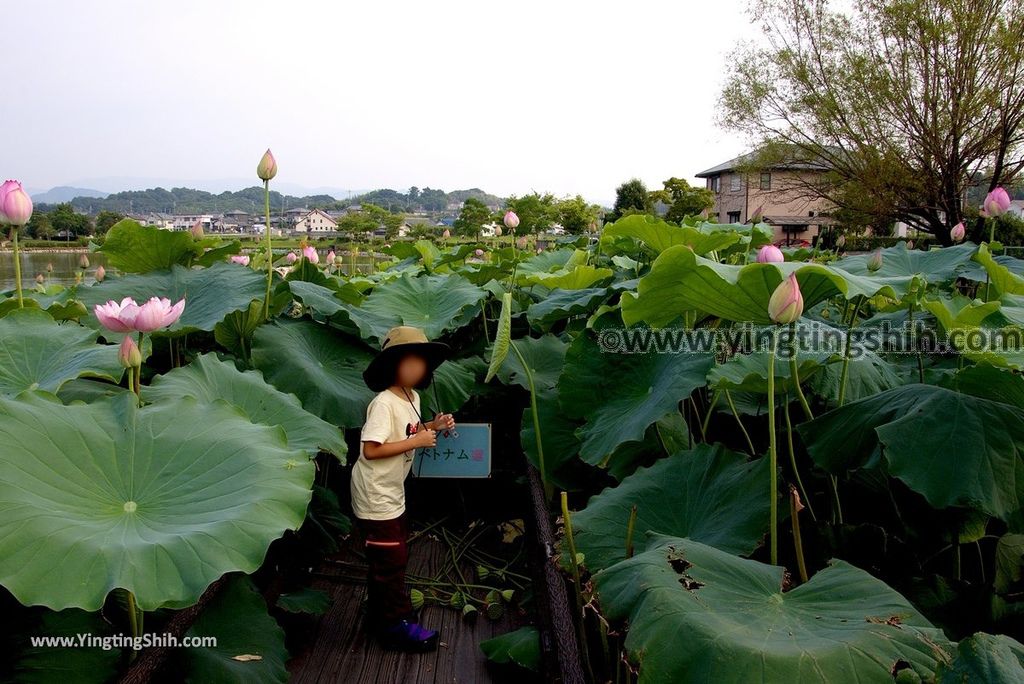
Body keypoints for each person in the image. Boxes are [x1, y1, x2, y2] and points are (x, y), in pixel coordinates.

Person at [352, 326, 456, 652]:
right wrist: (418, 440)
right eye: (408, 362)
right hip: (375, 492)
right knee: (392, 559)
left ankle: (379, 612)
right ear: (391, 366)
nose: (415, 368)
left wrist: (433, 426)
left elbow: (410, 430)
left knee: (386, 556)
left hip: (392, 490)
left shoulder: (413, 397)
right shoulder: (383, 403)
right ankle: (395, 626)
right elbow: (371, 449)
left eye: (420, 363)